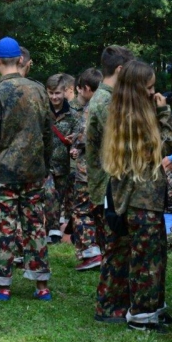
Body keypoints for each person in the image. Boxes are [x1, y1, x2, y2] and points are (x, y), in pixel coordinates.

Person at [0, 37, 53, 302]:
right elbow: (48, 134)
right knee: (35, 226)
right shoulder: (38, 90)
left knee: (3, 228)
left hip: (3, 173)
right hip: (33, 172)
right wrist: (44, 165)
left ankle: (2, 286)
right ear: (21, 60)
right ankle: (42, 285)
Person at [102, 60, 172, 332]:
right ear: (136, 89)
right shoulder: (134, 119)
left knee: (154, 256)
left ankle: (153, 308)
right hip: (141, 201)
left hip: (144, 199)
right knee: (146, 260)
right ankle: (142, 315)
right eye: (149, 87)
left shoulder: (126, 112)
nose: (153, 92)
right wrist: (164, 112)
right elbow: (165, 145)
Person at [86, 45, 134, 323]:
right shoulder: (106, 101)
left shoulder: (109, 98)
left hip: (109, 184)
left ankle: (118, 301)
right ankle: (108, 306)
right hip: (109, 185)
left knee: (119, 247)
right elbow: (121, 143)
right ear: (120, 70)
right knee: (115, 248)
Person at [69, 68, 103, 271]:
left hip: (88, 169)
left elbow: (86, 135)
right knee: (100, 210)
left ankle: (90, 251)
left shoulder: (93, 107)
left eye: (81, 89)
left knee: (82, 211)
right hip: (106, 169)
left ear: (87, 88)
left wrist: (75, 140)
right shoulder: (111, 103)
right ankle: (103, 249)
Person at [45, 73, 79, 244]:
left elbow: (78, 135)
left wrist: (75, 145)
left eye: (57, 93)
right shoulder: (43, 112)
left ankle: (57, 229)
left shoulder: (72, 114)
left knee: (60, 196)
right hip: (45, 164)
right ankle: (51, 229)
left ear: (64, 91)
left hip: (64, 164)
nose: (54, 97)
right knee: (49, 194)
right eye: (51, 93)